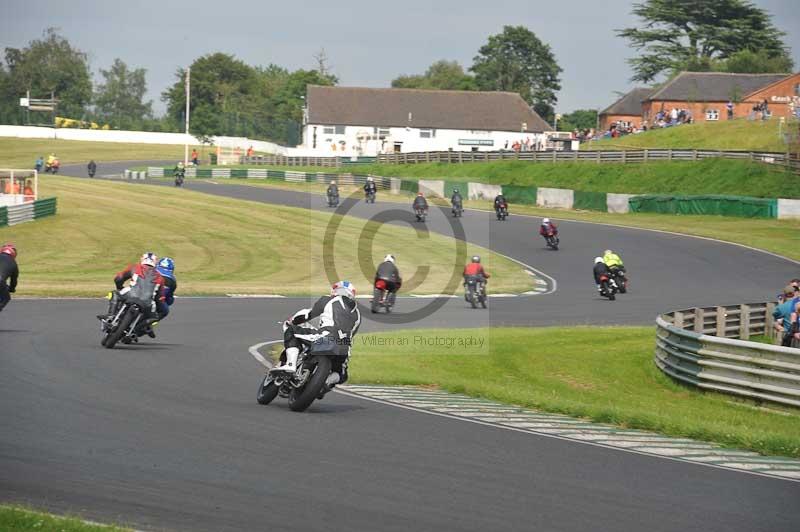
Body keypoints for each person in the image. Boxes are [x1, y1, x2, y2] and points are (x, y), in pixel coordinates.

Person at [272, 280, 361, 394]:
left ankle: (291, 365)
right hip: (344, 348)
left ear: (335, 290)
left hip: (325, 337)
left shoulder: (328, 300)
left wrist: (292, 320)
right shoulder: (358, 315)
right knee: (342, 374)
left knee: (291, 331)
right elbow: (352, 333)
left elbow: (307, 314)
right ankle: (326, 383)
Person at [99, 252, 165, 338]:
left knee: (114, 293)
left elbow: (118, 278)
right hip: (147, 302)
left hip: (131, 294)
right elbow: (160, 297)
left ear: (142, 259)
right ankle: (135, 331)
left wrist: (119, 287)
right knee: (154, 317)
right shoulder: (160, 277)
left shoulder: (135, 267)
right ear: (155, 263)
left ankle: (111, 316)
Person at [155, 257, 177, 325]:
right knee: (165, 311)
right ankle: (150, 324)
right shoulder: (172, 279)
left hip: (141, 292)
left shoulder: (152, 270)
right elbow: (169, 298)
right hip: (157, 298)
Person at [0, 244, 19, 313]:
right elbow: (14, 281)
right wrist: (12, 289)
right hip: (0, 281)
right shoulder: (14, 264)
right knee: (6, 298)